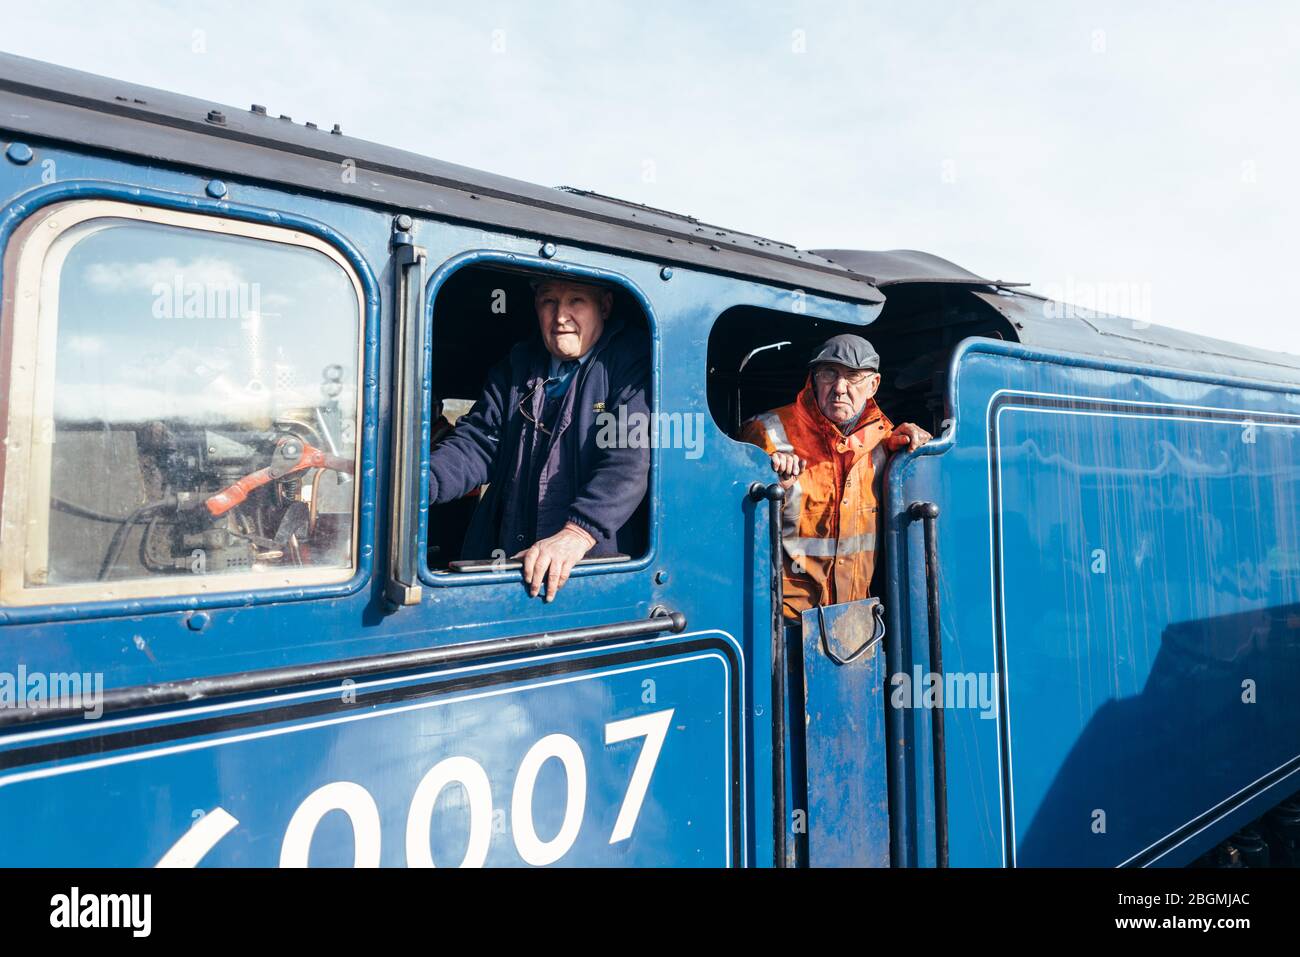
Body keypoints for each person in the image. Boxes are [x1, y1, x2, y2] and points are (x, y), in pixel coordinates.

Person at [428, 277, 650, 601]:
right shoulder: (514, 367)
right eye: (549, 302)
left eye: (576, 301)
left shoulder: (629, 362)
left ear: (604, 307)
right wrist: (418, 483)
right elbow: (476, 444)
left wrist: (578, 533)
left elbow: (628, 459)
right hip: (511, 565)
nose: (560, 316)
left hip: (588, 576)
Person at [741, 333, 931, 619]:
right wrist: (768, 475)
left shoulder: (888, 443)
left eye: (853, 376)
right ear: (814, 379)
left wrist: (918, 455)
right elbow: (734, 520)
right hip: (783, 622)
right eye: (829, 373)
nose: (839, 388)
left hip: (855, 620)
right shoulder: (767, 432)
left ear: (873, 385)